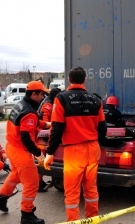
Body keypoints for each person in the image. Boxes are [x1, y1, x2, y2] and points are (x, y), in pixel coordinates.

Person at [43, 66, 107, 221]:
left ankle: (74, 221)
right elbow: (103, 128)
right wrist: (96, 143)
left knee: (72, 192)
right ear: (84, 79)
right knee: (91, 189)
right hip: (92, 149)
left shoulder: (62, 98)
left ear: (69, 80)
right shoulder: (95, 99)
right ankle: (92, 219)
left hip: (74, 152)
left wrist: (50, 153)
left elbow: (56, 128)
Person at [0, 81, 50, 224]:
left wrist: (46, 124)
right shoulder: (29, 111)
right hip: (20, 150)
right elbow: (26, 137)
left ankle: (1, 200)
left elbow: (28, 122)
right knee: (32, 183)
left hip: (11, 146)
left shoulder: (22, 105)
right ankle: (27, 215)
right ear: (34, 94)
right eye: (42, 94)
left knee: (15, 175)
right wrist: (38, 153)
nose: (44, 96)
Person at [37, 87, 61, 192]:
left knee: (42, 160)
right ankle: (37, 184)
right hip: (43, 136)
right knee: (41, 160)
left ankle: (40, 182)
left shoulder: (49, 103)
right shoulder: (48, 105)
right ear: (55, 96)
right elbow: (44, 123)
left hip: (45, 135)